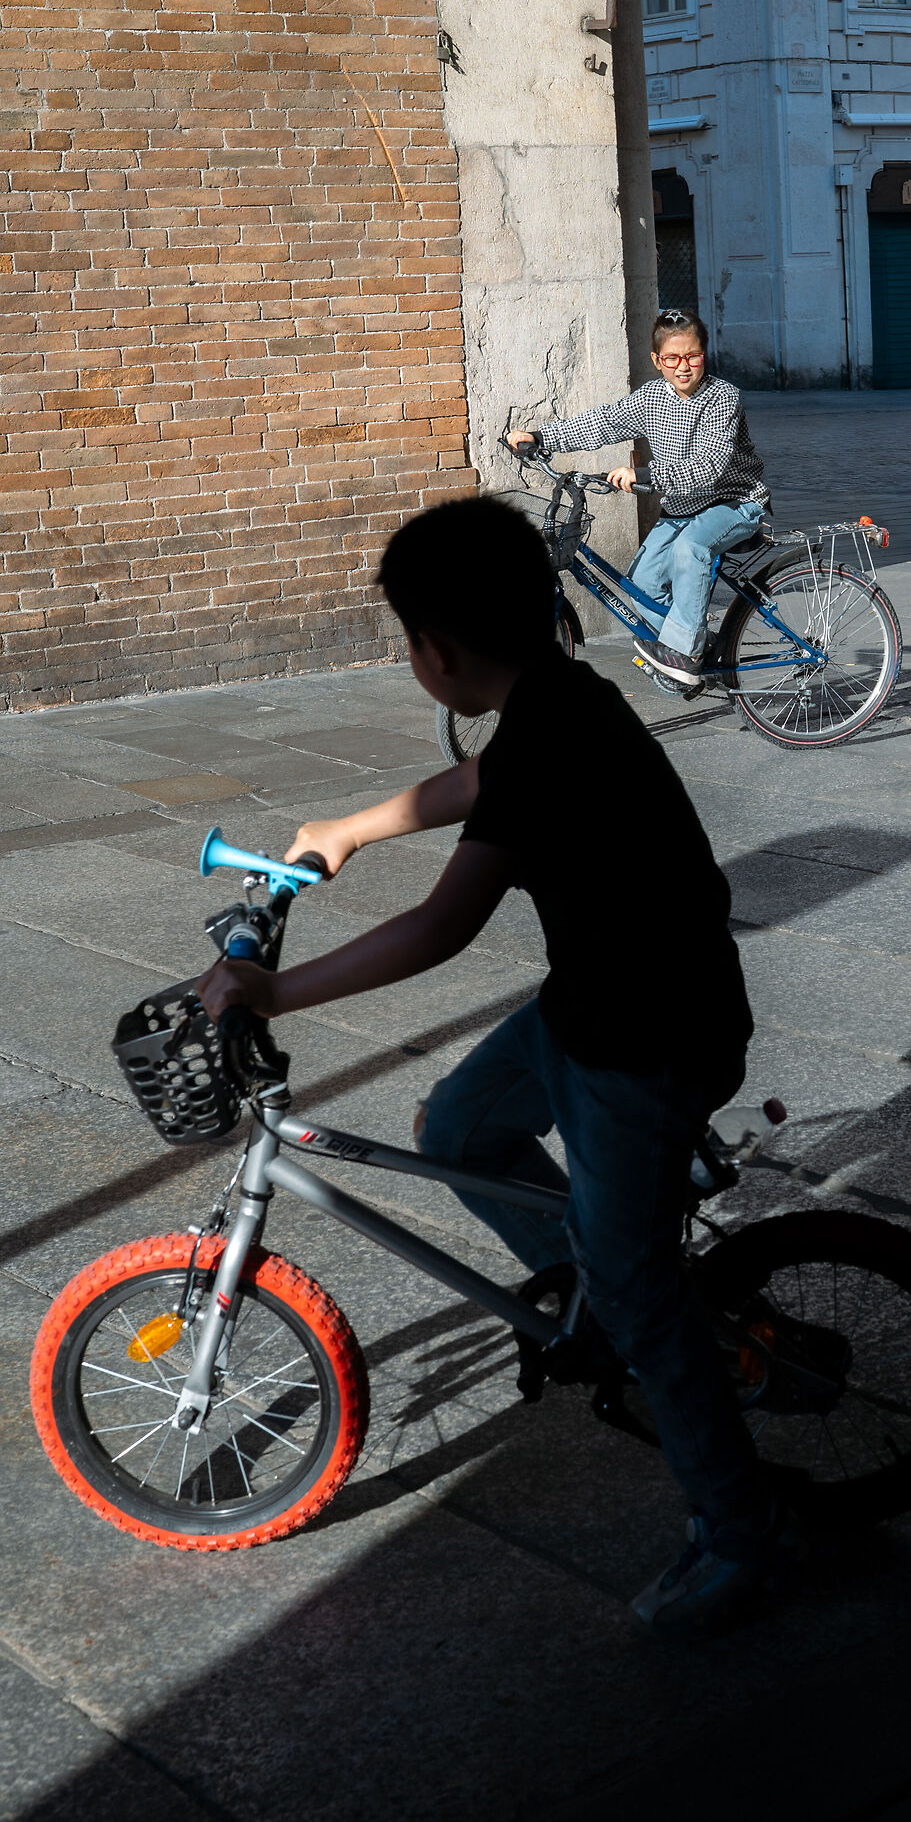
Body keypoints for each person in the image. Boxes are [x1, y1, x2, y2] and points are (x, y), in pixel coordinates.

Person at [196, 494, 791, 1632]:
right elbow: (475, 789)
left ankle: (740, 1531)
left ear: (440, 651)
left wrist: (278, 990)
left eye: (409, 645)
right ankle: (600, 1285)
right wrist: (354, 827)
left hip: (646, 1045)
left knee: (637, 1290)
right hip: (591, 1010)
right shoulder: (558, 700)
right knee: (457, 1132)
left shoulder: (553, 731)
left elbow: (439, 928)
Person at [509, 307, 768, 693]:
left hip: (734, 502)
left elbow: (707, 467)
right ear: (656, 361)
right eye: (672, 359)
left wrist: (645, 476)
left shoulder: (722, 399)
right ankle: (699, 646)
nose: (683, 367)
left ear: (704, 355)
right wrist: (540, 437)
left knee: (690, 549)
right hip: (681, 508)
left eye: (693, 356)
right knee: (640, 588)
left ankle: (687, 652)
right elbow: (601, 423)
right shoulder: (650, 398)